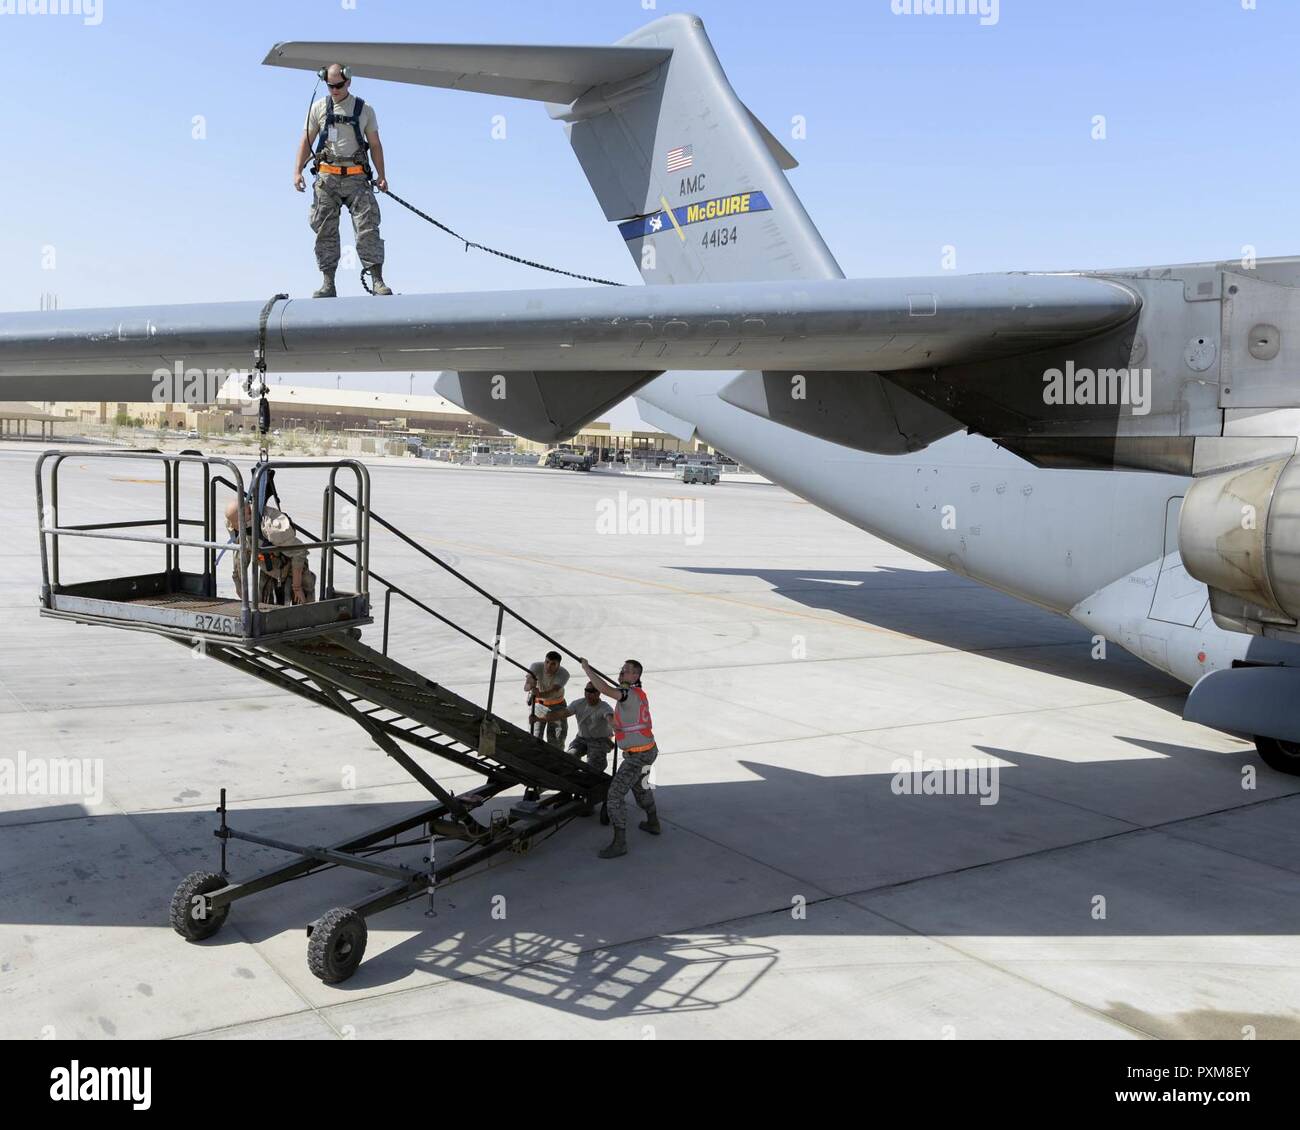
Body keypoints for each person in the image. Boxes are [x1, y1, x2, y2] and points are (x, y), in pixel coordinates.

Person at [292, 63, 393, 298]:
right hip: (327, 178)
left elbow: (375, 144)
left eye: (338, 85)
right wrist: (297, 171)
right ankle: (328, 283)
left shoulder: (364, 109)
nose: (334, 90)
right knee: (324, 231)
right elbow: (305, 141)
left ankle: (377, 280)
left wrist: (382, 176)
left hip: (357, 178)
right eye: (330, 85)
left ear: (348, 81)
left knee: (368, 229)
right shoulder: (319, 108)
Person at [579, 657, 660, 858]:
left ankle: (620, 843)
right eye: (622, 669)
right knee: (641, 787)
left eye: (626, 670)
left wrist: (587, 669)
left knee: (614, 796)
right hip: (647, 751)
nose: (622, 672)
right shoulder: (637, 694)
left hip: (638, 756)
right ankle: (653, 822)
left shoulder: (627, 692)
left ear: (636, 676)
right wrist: (615, 723)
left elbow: (605, 690)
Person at [224, 498, 316, 606]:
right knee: (264, 608)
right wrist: (238, 582)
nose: (231, 525)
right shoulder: (236, 525)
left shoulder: (272, 528)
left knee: (304, 609)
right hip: (269, 569)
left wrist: (297, 587)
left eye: (234, 522)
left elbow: (299, 552)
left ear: (246, 515)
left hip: (294, 569)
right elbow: (242, 552)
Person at [524, 651, 570, 748]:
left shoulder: (563, 673)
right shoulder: (536, 667)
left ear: (558, 665)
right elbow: (526, 686)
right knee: (535, 737)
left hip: (557, 705)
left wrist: (539, 694)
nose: (548, 666)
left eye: (553, 664)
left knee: (556, 740)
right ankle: (535, 760)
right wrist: (530, 684)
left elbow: (553, 691)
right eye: (547, 662)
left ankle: (554, 761)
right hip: (539, 705)